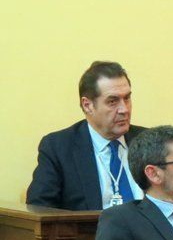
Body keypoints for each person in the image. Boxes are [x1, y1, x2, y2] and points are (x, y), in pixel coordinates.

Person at [26, 61, 147, 210]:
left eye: (127, 98)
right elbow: (39, 209)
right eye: (112, 101)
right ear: (87, 105)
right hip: (90, 232)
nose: (124, 109)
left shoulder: (150, 141)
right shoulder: (59, 148)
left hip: (150, 233)